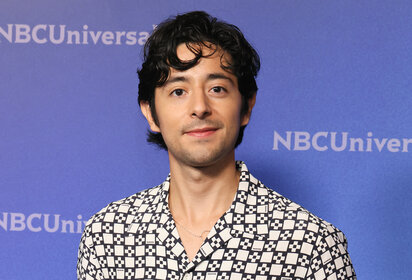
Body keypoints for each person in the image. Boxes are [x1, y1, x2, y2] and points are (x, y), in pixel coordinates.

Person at [77, 11, 356, 280]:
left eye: (217, 89)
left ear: (246, 106)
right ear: (151, 113)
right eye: (178, 91)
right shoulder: (107, 234)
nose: (199, 107)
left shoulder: (311, 245)